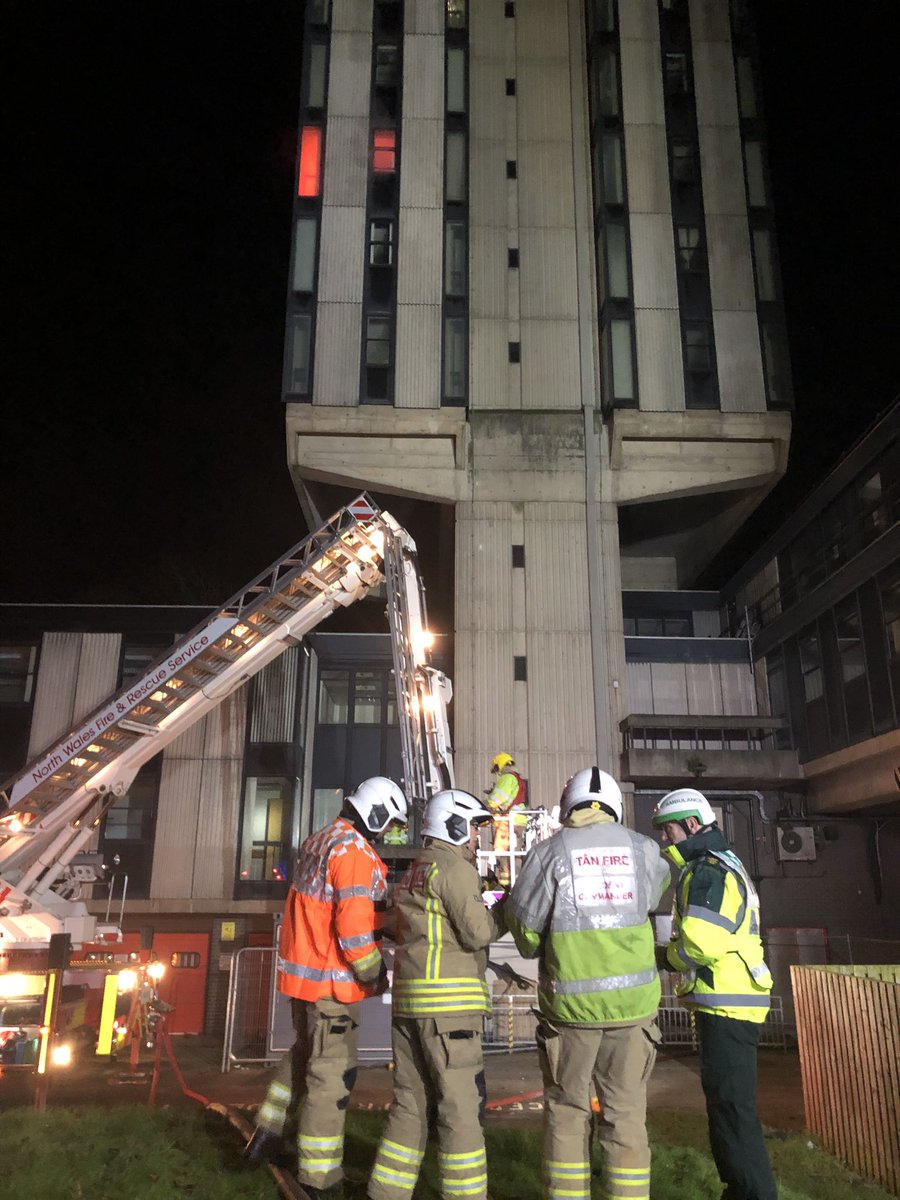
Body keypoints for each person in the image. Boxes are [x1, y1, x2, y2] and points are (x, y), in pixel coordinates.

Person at [507, 767, 669, 1200]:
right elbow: (653, 896)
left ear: (568, 807)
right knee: (627, 1116)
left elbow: (524, 937)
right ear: (613, 806)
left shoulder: (548, 855)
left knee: (567, 1113)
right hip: (634, 1014)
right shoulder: (645, 851)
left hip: (571, 1016)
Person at [245, 777, 407, 1200]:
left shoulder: (320, 840)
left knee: (303, 1057)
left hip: (304, 982)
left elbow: (330, 912)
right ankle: (319, 1181)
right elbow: (352, 931)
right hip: (334, 988)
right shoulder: (354, 853)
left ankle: (266, 1134)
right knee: (330, 1080)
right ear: (375, 813)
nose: (388, 832)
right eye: (389, 823)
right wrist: (374, 973)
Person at [368, 789, 501, 1200]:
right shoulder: (456, 870)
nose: (478, 838)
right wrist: (507, 910)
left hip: (409, 1008)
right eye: (475, 829)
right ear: (456, 826)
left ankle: (385, 1193)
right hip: (450, 1014)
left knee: (410, 1103)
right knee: (459, 1110)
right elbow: (478, 932)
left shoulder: (415, 871)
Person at [651, 788, 777, 1200]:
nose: (666, 839)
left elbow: (701, 944)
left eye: (669, 830)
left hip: (728, 1005)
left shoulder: (708, 870)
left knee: (732, 1112)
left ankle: (752, 1193)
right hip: (730, 1003)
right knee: (728, 1109)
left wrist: (665, 957)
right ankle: (741, 1190)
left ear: (691, 825)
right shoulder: (719, 864)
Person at [485, 751, 528, 886]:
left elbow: (494, 801)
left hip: (508, 823)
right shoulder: (517, 779)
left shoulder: (506, 778)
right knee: (514, 857)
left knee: (503, 855)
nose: (496, 774)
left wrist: (481, 805)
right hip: (518, 822)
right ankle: (514, 885)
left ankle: (505, 886)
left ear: (499, 766)